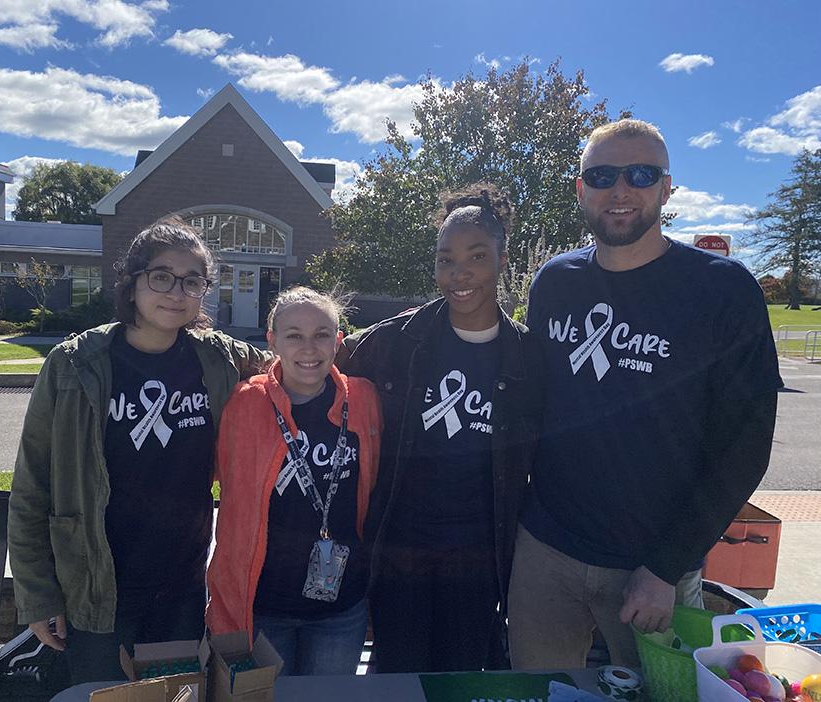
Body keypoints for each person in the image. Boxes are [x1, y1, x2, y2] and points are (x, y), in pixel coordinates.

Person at [506, 119, 782, 669]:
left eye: (640, 174)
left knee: (661, 691)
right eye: (603, 175)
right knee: (535, 690)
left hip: (652, 568)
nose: (621, 189)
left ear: (666, 187)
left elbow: (745, 448)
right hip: (545, 554)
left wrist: (666, 566)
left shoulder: (723, 290)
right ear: (582, 189)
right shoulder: (554, 282)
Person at [8, 217, 270, 684]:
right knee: (103, 694)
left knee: (178, 695)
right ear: (132, 283)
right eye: (162, 277)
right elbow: (32, 484)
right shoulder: (74, 364)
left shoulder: (218, 358)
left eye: (193, 281)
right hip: (95, 587)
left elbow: (301, 356)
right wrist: (38, 595)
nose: (176, 292)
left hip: (182, 585)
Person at [336, 185, 544, 673]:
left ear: (502, 258)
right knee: (398, 676)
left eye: (476, 256)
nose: (459, 272)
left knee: (464, 674)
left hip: (479, 558)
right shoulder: (394, 341)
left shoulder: (529, 357)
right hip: (400, 552)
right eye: (445, 259)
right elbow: (318, 371)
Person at [206, 286, 382, 676]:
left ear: (337, 342)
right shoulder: (242, 405)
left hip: (341, 606)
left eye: (321, 335)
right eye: (294, 335)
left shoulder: (365, 401)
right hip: (264, 606)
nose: (309, 348)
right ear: (272, 341)